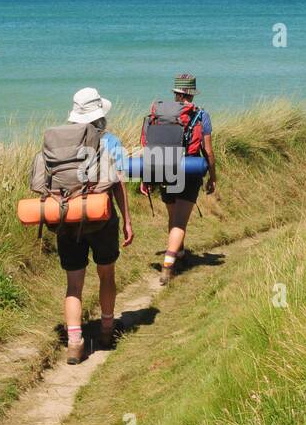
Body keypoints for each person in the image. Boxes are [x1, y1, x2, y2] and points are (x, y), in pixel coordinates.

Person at [57, 87, 133, 364]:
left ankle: (75, 343)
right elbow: (119, 184)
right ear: (100, 115)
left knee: (73, 284)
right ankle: (106, 330)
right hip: (101, 220)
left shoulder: (58, 143)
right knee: (106, 274)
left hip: (67, 221)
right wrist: (127, 221)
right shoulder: (109, 141)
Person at [140, 73, 215, 285]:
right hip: (189, 169)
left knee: (173, 216)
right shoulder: (201, 115)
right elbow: (208, 151)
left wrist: (148, 177)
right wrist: (212, 176)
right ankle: (168, 265)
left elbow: (148, 146)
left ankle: (180, 254)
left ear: (176, 93)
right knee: (180, 222)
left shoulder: (159, 114)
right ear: (191, 93)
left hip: (164, 168)